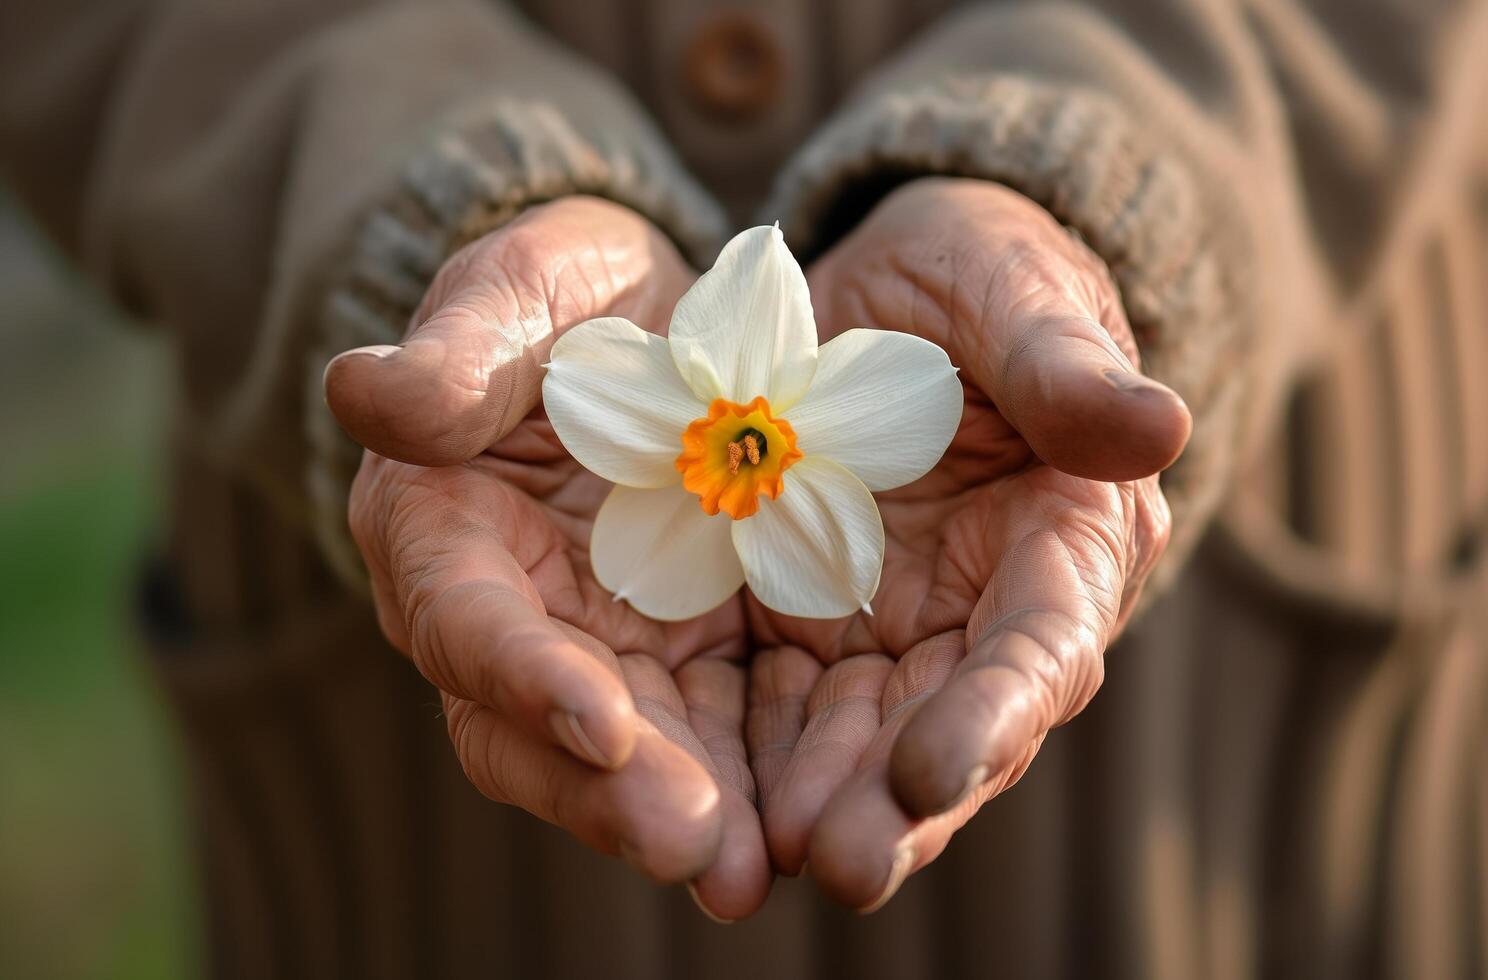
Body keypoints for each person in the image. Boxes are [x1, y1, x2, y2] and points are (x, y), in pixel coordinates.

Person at [3, 1, 1486, 977]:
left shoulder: (755, 460)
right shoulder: (708, 473)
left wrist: (1101, 161)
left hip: (1253, 603)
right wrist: (420, 207)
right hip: (438, 748)